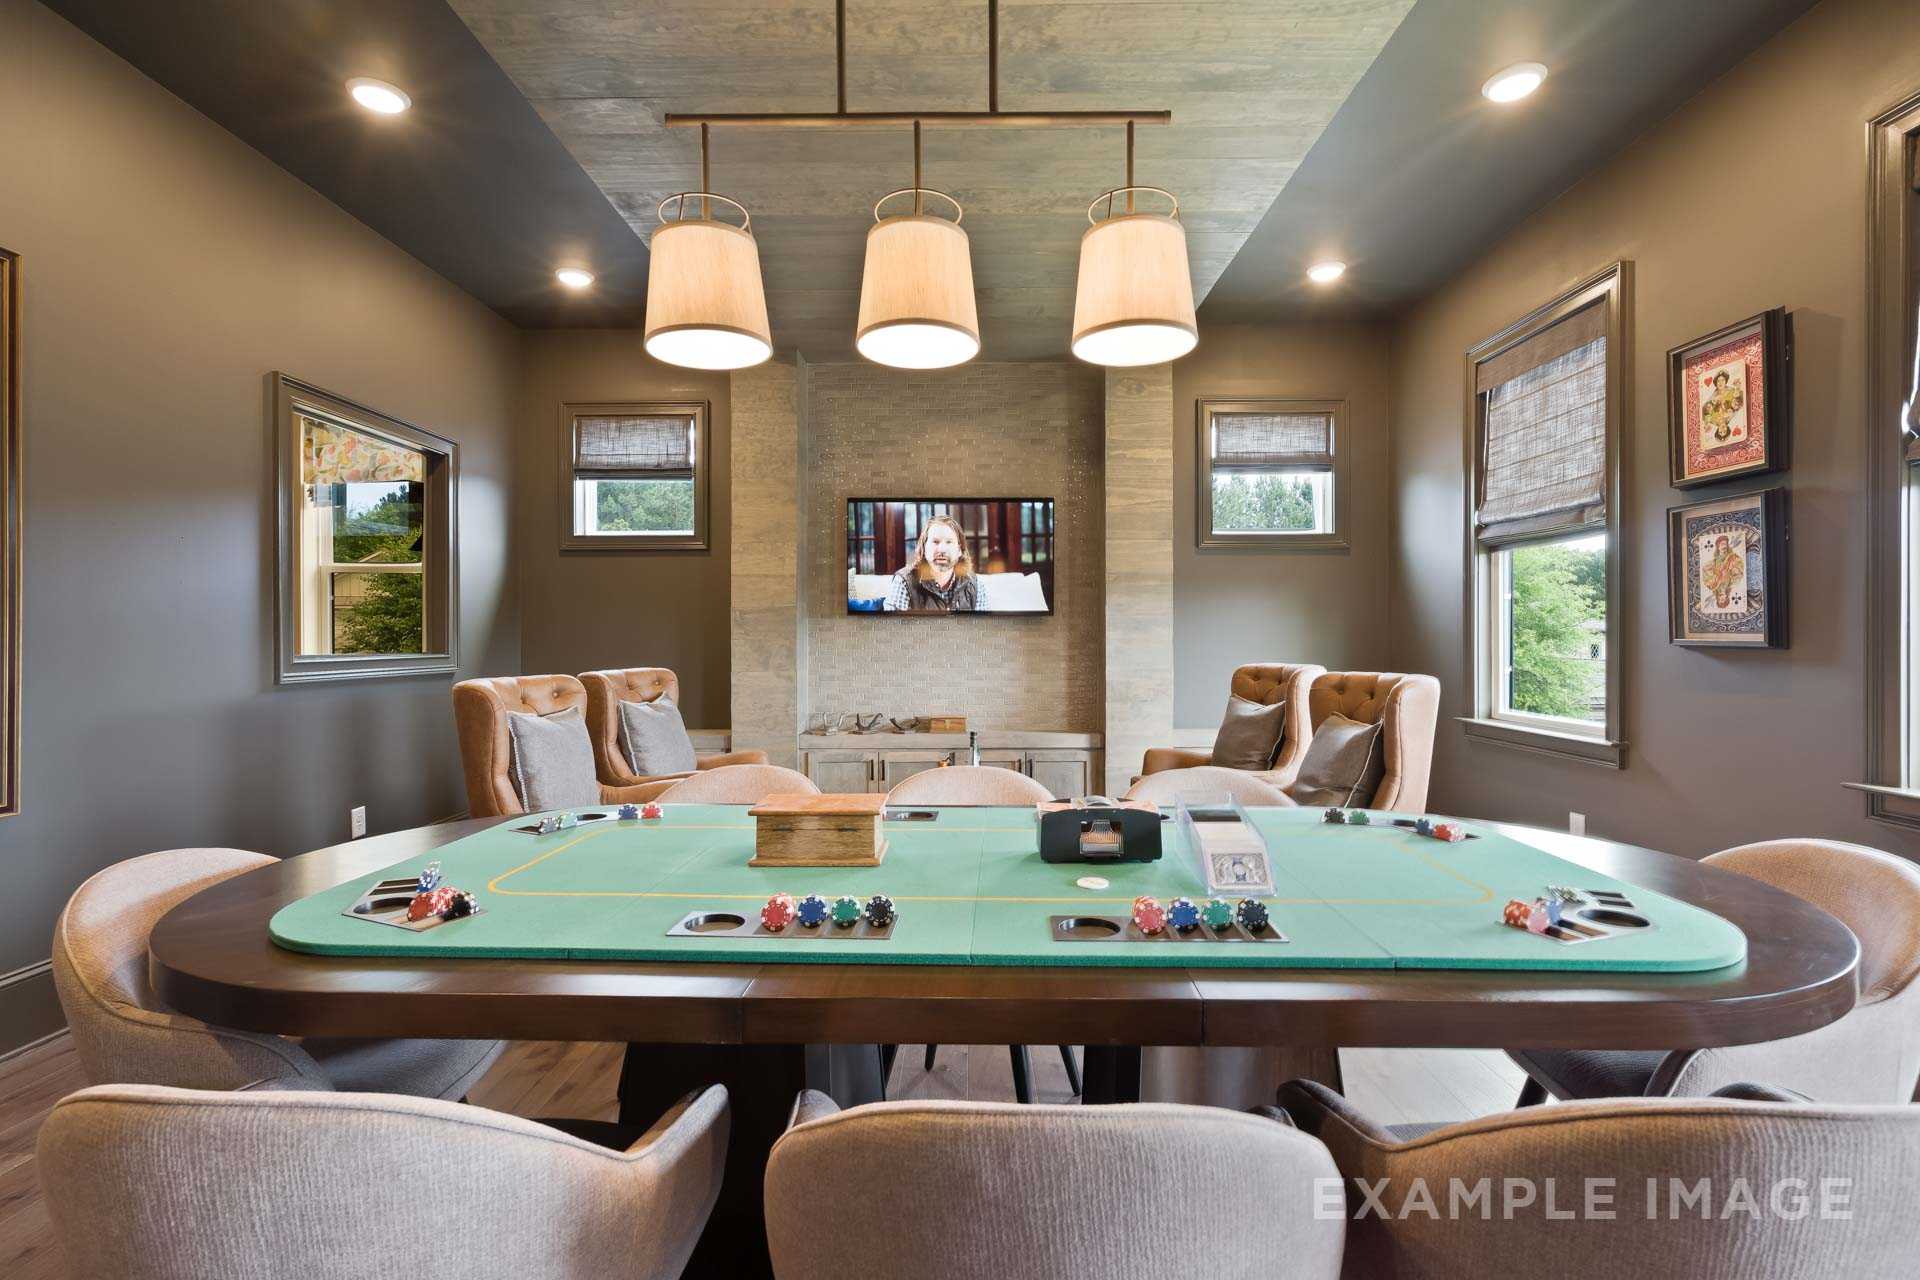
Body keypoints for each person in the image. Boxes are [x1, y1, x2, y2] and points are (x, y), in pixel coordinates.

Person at [883, 514, 988, 612]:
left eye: (949, 542)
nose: (942, 549)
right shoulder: (904, 582)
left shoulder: (976, 586)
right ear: (924, 547)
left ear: (960, 550)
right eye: (935, 542)